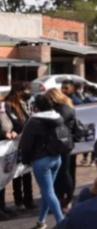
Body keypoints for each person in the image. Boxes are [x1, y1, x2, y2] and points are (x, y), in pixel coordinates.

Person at [20, 95, 65, 227]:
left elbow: (26, 144)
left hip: (41, 160)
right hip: (56, 158)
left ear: (37, 107)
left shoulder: (34, 121)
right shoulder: (58, 117)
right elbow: (64, 138)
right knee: (48, 191)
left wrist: (26, 160)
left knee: (48, 192)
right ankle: (41, 221)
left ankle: (62, 223)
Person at [45, 89, 77, 214]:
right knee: (59, 172)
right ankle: (60, 198)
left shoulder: (64, 108)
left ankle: (68, 198)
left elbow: (57, 122)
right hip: (60, 142)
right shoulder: (63, 106)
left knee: (64, 172)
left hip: (63, 143)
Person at [5, 82, 35, 211]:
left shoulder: (25, 103)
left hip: (26, 140)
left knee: (27, 171)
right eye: (25, 91)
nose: (27, 93)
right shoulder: (9, 104)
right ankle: (19, 200)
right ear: (18, 91)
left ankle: (29, 199)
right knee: (17, 173)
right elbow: (14, 122)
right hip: (16, 141)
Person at [0, 95, 18, 220]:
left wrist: (14, 130)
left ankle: (2, 205)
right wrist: (3, 134)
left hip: (5, 149)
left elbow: (15, 122)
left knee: (2, 178)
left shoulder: (5, 109)